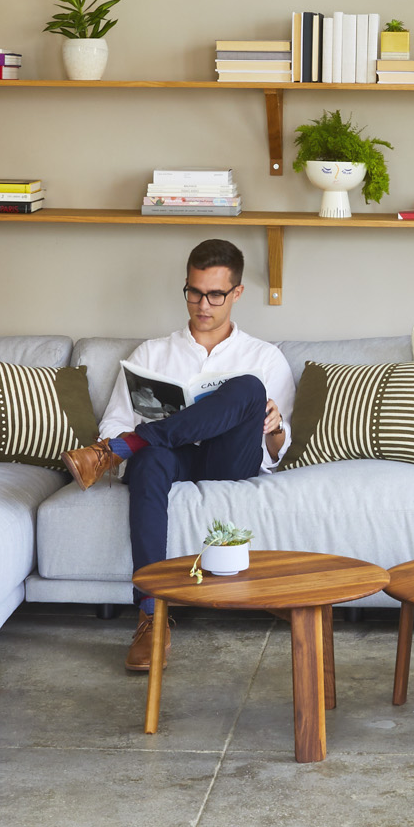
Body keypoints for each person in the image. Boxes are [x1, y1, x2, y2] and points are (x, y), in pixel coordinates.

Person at [64, 238, 293, 672]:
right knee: (149, 459)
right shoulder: (151, 354)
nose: (202, 304)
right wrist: (125, 437)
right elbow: (112, 422)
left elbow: (277, 454)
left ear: (237, 294)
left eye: (215, 295)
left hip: (230, 460)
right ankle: (152, 615)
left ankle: (124, 450)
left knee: (247, 387)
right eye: (193, 292)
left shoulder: (264, 356)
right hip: (172, 458)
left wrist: (276, 426)